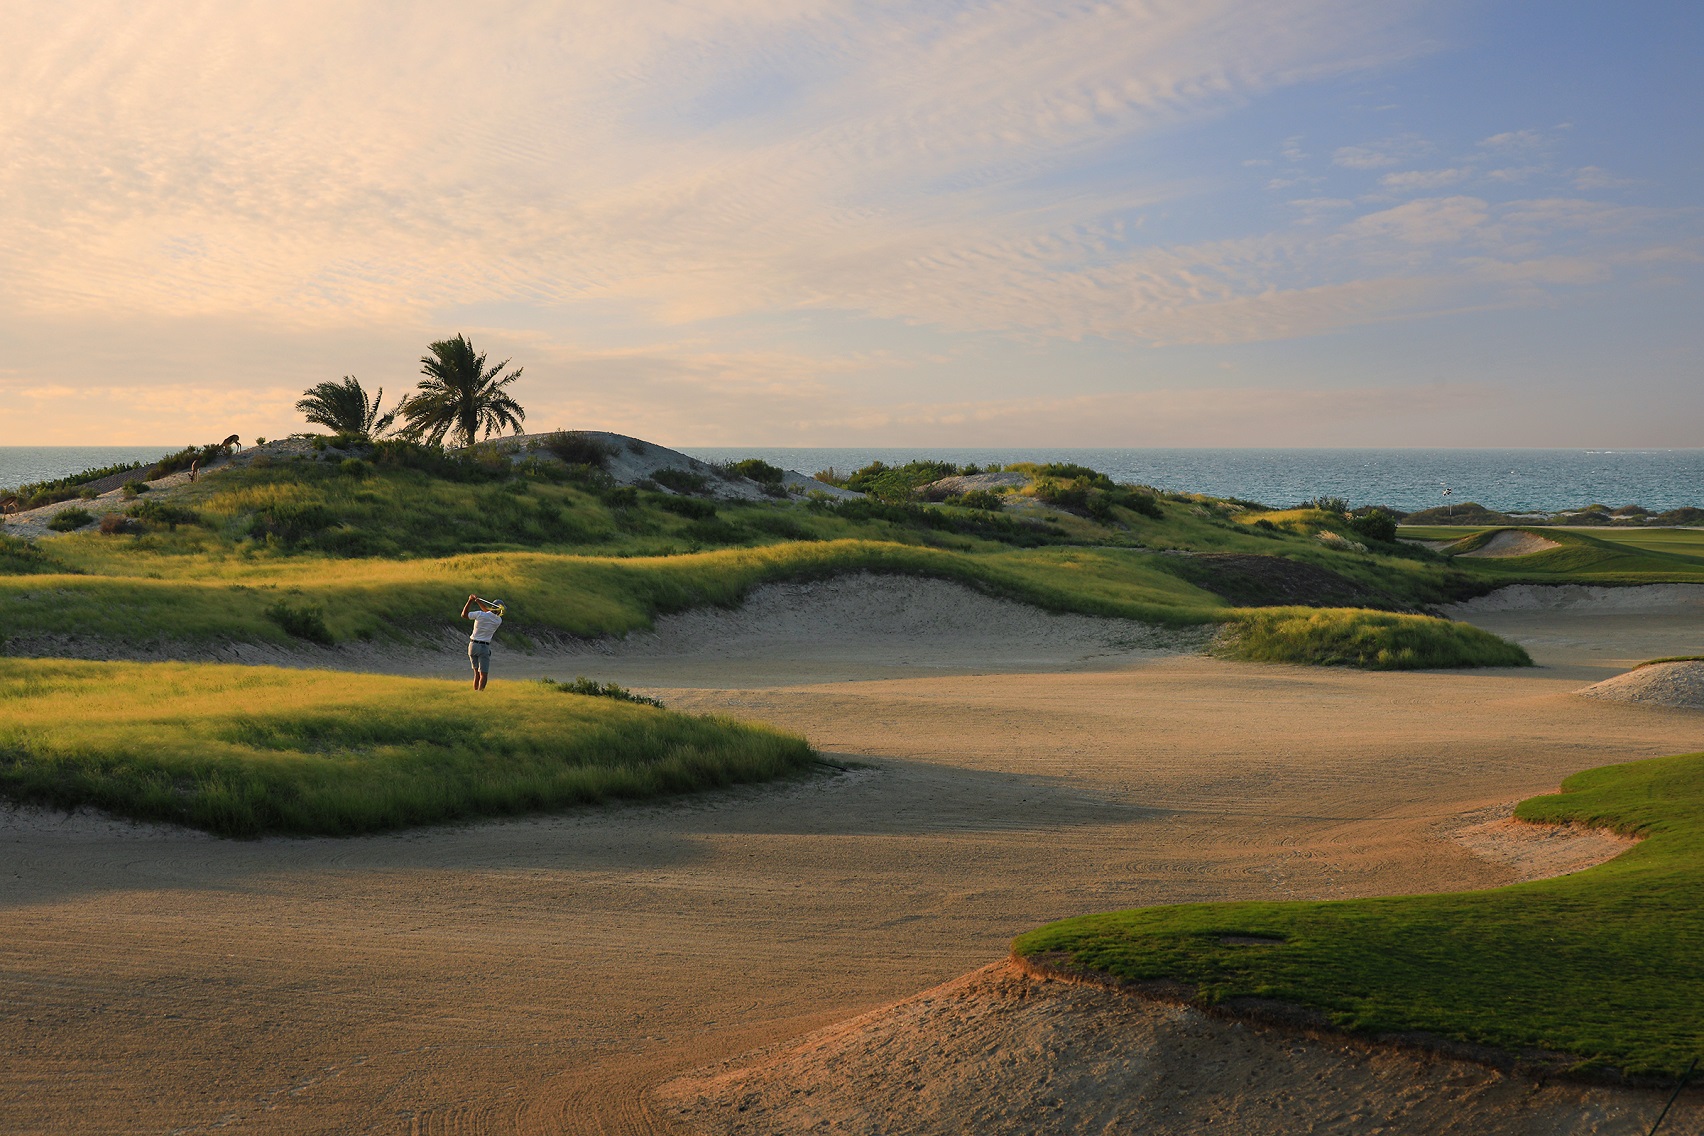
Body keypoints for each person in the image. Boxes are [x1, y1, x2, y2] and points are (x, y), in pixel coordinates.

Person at [459, 594, 504, 690]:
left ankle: (475, 692)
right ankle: (480, 694)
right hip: (484, 647)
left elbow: (464, 615)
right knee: (483, 674)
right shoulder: (498, 620)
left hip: (472, 645)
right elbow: (489, 613)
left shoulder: (480, 614)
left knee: (476, 673)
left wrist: (470, 601)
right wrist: (478, 602)